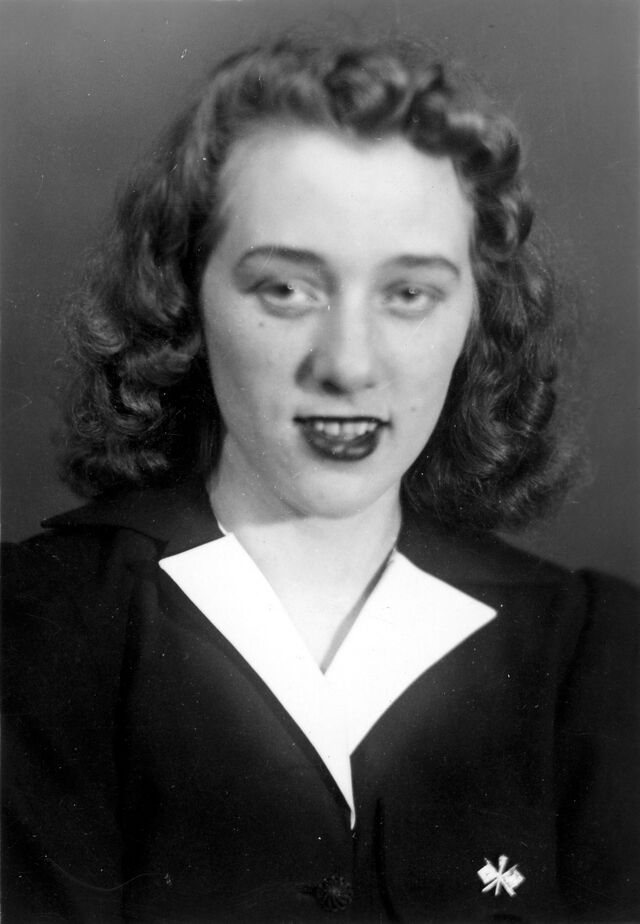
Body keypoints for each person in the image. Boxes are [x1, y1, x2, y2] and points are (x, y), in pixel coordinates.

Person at [2, 36, 638, 923]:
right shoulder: (31, 628)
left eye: (409, 294)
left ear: (476, 317)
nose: (348, 364)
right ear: (188, 298)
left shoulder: (600, 658)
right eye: (287, 289)